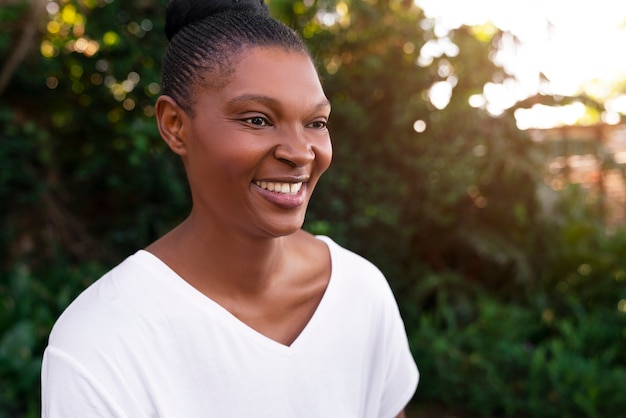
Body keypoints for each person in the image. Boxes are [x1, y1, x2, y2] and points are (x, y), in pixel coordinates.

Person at [40, 0, 419, 416]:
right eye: (257, 119)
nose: (300, 153)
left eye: (316, 122)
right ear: (174, 125)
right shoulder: (101, 344)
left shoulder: (361, 292)